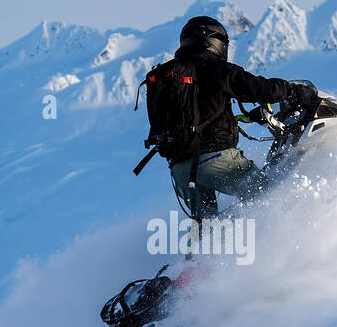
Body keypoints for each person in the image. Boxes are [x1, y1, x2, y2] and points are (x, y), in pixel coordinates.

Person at [136, 15, 317, 218]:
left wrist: (248, 117)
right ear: (215, 41)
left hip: (180, 168)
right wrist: (292, 90)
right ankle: (279, 241)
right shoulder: (216, 68)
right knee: (268, 194)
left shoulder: (166, 74)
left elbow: (202, 112)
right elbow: (262, 89)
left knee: (206, 225)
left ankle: (201, 250)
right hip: (214, 159)